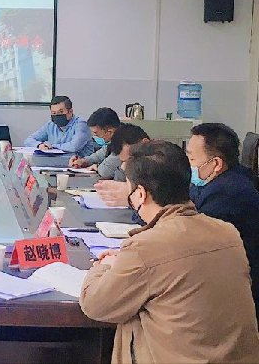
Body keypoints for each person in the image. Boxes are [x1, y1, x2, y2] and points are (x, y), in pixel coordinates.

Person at [80, 141, 259, 363]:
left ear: (140, 194)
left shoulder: (145, 247)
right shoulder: (228, 232)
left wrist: (104, 267)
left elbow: (95, 305)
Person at [187, 123, 259, 321]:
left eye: (192, 158)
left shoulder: (227, 193)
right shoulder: (212, 181)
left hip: (238, 292)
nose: (188, 164)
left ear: (216, 163)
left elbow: (193, 240)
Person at [94, 124, 150, 205]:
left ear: (145, 142)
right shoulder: (126, 162)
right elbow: (119, 183)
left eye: (132, 158)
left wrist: (132, 193)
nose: (127, 165)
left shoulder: (162, 161)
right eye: (125, 161)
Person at [24, 95, 94, 156]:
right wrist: (39, 145)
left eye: (61, 112)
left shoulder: (81, 124)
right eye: (54, 113)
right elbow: (28, 140)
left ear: (70, 112)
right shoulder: (50, 125)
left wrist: (52, 146)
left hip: (80, 164)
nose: (57, 115)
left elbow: (74, 146)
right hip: (57, 163)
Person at [69, 107, 121, 179]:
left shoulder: (125, 143)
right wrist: (83, 161)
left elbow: (105, 171)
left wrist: (97, 167)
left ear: (109, 132)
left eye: (96, 133)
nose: (94, 136)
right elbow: (99, 155)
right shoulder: (114, 140)